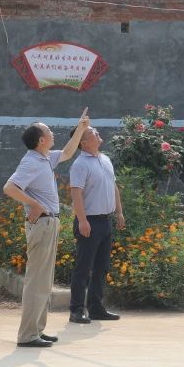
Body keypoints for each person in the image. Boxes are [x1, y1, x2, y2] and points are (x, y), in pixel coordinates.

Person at [3, 109, 91, 348]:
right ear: (41, 140)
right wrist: (34, 204)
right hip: (42, 223)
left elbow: (68, 152)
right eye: (49, 132)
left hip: (48, 223)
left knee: (44, 282)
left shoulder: (45, 158)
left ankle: (37, 330)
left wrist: (81, 128)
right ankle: (28, 335)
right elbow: (10, 188)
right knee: (36, 281)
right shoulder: (31, 161)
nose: (53, 134)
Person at [67, 126, 126, 325]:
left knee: (102, 267)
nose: (97, 133)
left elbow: (113, 187)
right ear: (83, 142)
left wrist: (119, 212)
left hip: (105, 220)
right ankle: (76, 310)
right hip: (89, 222)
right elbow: (76, 193)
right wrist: (82, 220)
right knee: (83, 268)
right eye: (92, 132)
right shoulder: (80, 164)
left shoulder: (105, 159)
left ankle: (96, 308)